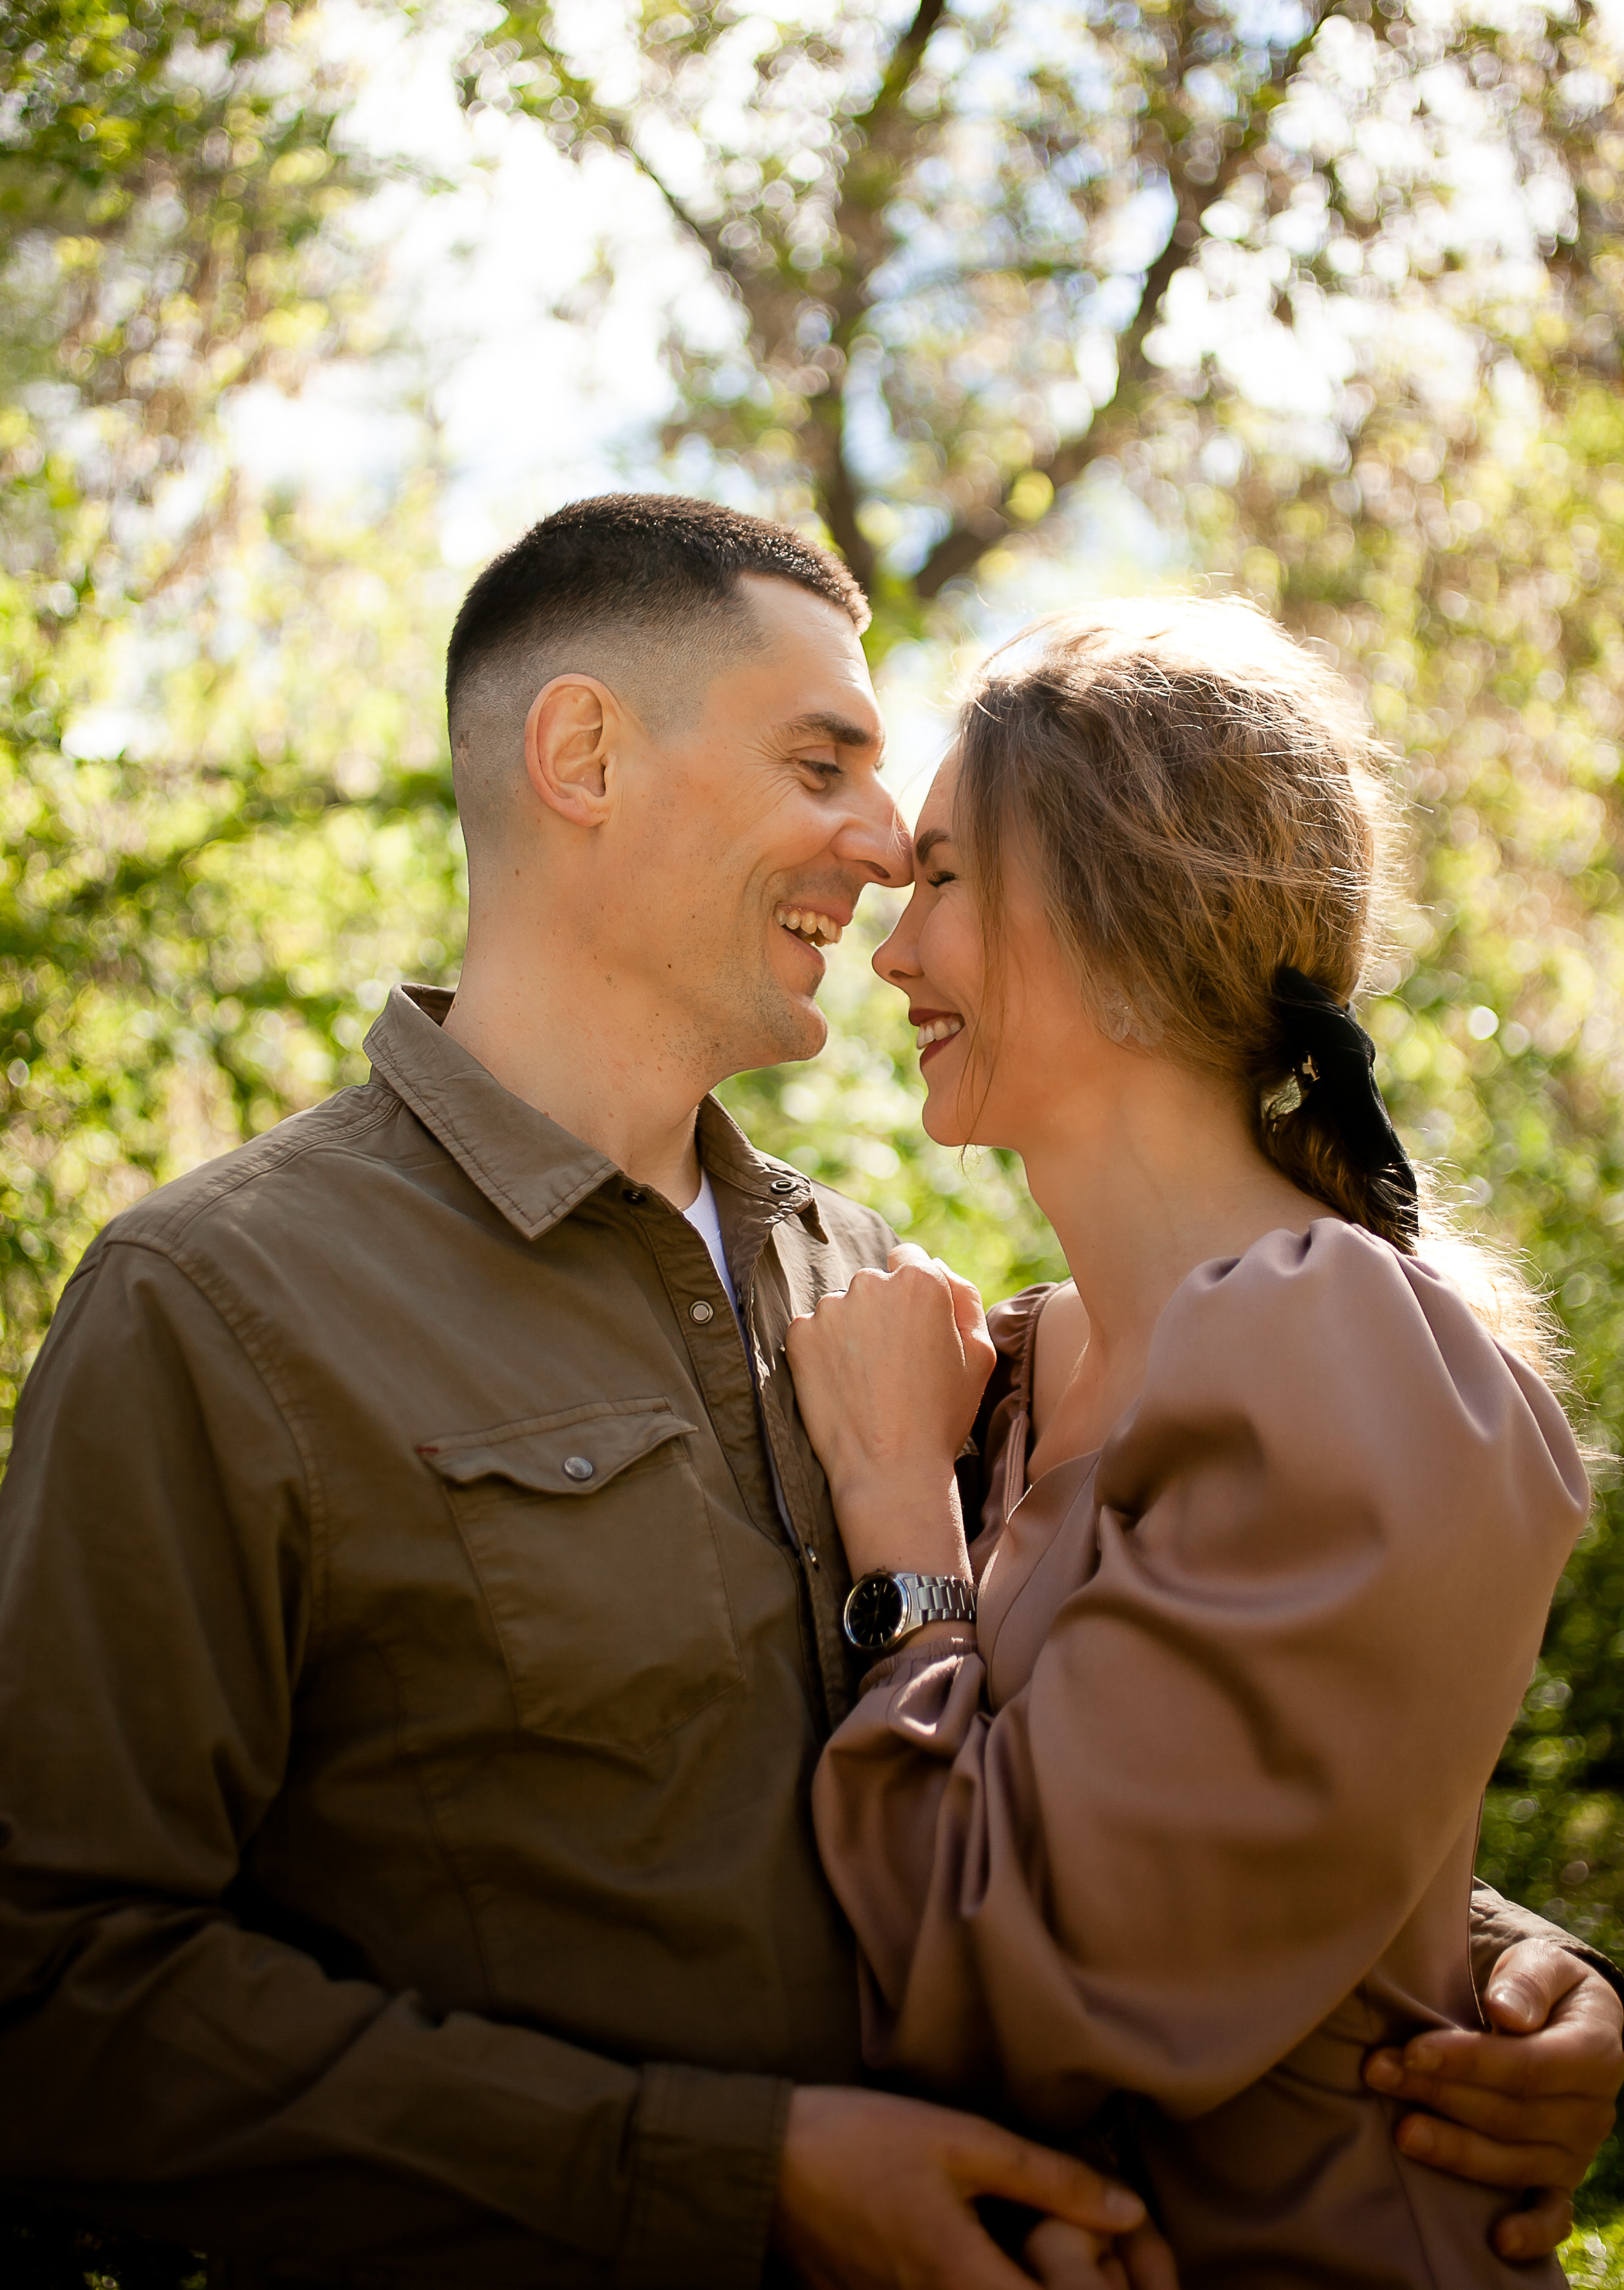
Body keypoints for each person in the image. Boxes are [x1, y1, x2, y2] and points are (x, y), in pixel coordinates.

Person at [0, 507, 1612, 2290]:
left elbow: (1128, 1740)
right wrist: (725, 2177)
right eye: (821, 760)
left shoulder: (890, 1304)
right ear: (585, 755)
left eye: (919, 835)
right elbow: (54, 1991)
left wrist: (1487, 1973)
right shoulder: (221, 1309)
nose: (872, 850)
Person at [787, 596, 1623, 2284]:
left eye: (944, 879)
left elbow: (1009, 1990)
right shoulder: (994, 1375)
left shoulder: (1344, 1356)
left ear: (1110, 914)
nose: (890, 953)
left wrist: (898, 1535)